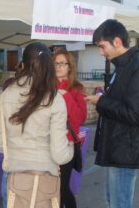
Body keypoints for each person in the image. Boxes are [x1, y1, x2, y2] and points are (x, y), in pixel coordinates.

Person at [85, 19, 139, 208]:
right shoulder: (125, 67)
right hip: (117, 148)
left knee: (119, 204)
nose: (101, 52)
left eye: (102, 46)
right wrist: (104, 97)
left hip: (126, 151)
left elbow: (136, 115)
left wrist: (102, 101)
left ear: (117, 41)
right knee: (113, 202)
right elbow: (122, 103)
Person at [0, 42, 74, 208]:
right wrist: (71, 147)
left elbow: (0, 144)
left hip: (14, 180)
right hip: (45, 181)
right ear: (48, 66)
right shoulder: (54, 98)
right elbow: (60, 155)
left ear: (22, 65)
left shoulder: (4, 96)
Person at [53, 50, 87, 208]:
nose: (58, 66)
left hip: (67, 144)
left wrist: (65, 96)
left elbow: (80, 118)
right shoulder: (47, 86)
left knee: (62, 188)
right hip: (48, 143)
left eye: (62, 63)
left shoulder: (76, 88)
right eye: (56, 63)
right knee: (52, 188)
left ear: (70, 67)